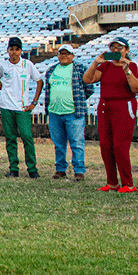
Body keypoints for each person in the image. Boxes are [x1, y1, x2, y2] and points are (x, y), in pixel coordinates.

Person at [82, 36, 138, 193]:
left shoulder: (133, 65)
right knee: (105, 146)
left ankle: (128, 183)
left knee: (120, 146)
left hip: (124, 105)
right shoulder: (106, 66)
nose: (116, 51)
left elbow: (137, 88)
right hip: (105, 106)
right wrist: (97, 62)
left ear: (126, 50)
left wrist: (126, 70)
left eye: (119, 48)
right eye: (113, 48)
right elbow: (87, 79)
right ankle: (112, 182)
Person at [0, 37, 43, 178]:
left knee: (27, 137)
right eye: (11, 49)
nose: (14, 52)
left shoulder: (28, 65)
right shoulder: (3, 65)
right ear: (8, 50)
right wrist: (3, 89)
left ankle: (32, 168)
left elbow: (39, 81)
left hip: (23, 107)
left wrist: (34, 102)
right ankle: (13, 168)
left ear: (21, 51)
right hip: (6, 107)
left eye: (17, 49)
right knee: (10, 138)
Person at [44, 44, 93, 181]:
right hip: (54, 112)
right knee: (58, 144)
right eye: (61, 53)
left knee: (76, 143)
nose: (64, 56)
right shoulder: (51, 70)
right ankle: (60, 169)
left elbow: (89, 88)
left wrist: (78, 100)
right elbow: (48, 89)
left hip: (73, 113)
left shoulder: (80, 69)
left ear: (73, 56)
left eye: (67, 53)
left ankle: (79, 171)